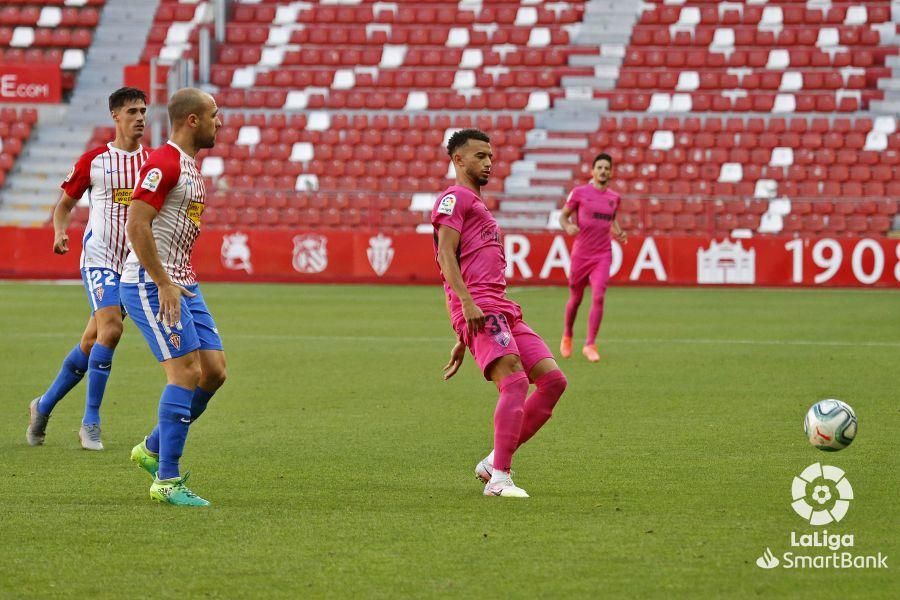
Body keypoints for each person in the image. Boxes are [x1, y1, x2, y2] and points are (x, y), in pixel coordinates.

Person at [433, 129, 568, 499]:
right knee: (515, 382)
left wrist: (464, 337)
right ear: (458, 160)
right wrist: (465, 305)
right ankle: (500, 479)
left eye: (490, 156)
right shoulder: (454, 198)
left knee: (554, 382)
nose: (488, 162)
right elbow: (446, 256)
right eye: (479, 156)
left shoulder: (477, 204)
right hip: (481, 306)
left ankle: (495, 460)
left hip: (501, 309)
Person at [27, 87, 150, 450]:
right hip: (98, 258)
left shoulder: (154, 163)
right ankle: (90, 421)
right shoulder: (94, 161)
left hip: (132, 262)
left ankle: (43, 405)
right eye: (132, 111)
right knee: (110, 331)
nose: (140, 117)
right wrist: (60, 230)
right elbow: (64, 205)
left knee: (91, 341)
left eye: (143, 110)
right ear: (115, 115)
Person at [121, 88, 225, 507]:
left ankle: (150, 448)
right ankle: (166, 480)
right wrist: (162, 280)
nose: (221, 122)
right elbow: (136, 224)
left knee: (213, 371)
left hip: (183, 282)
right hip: (152, 284)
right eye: (214, 115)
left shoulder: (190, 167)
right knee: (184, 373)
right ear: (193, 121)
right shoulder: (164, 162)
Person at [558, 153, 627, 363]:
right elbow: (563, 216)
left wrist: (619, 231)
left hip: (603, 254)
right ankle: (567, 335)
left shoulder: (614, 198)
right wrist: (568, 225)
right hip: (581, 254)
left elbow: (611, 220)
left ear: (611, 172)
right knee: (576, 299)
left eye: (607, 168)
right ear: (593, 171)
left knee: (598, 296)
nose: (603, 171)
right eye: (600, 167)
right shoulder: (579, 193)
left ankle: (590, 344)